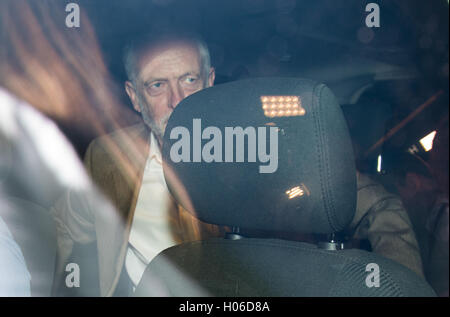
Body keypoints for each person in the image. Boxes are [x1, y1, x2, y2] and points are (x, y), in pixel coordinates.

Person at [53, 30, 424, 297]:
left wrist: (400, 286)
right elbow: (71, 231)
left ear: (211, 81)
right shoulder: (106, 156)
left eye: (189, 79)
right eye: (157, 86)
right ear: (135, 97)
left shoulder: (262, 151)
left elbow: (381, 205)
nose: (178, 101)